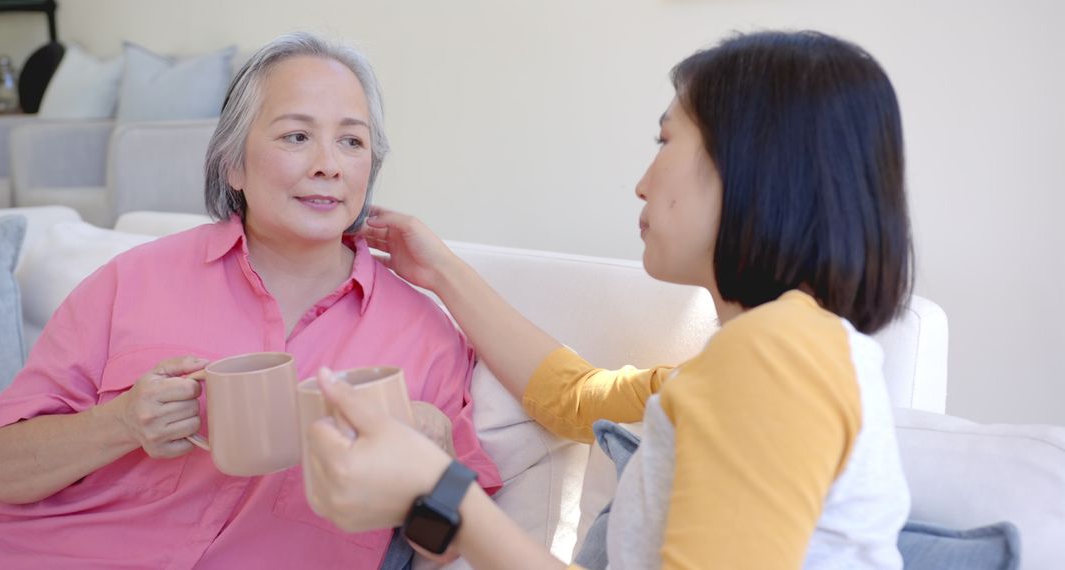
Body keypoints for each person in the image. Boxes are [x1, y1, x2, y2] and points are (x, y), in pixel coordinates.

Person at [305, 30, 913, 569]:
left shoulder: (772, 359)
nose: (642, 183)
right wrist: (438, 269)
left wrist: (443, 492)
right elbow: (575, 396)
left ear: (753, 166)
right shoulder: (771, 355)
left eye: (665, 140)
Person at [0, 32, 499, 569]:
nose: (329, 164)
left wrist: (434, 462)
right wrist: (118, 425)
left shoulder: (423, 335)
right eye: (296, 136)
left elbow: (451, 547)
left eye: (352, 141)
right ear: (233, 163)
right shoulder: (133, 281)